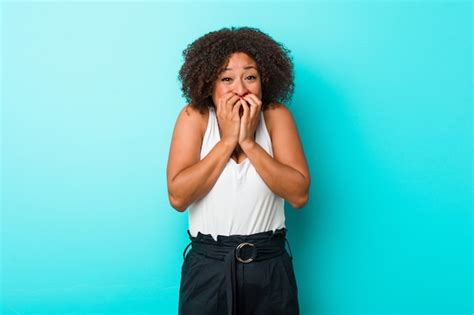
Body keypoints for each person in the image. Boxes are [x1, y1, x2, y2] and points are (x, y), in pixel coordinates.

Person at [166, 26, 310, 315]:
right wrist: (228, 140)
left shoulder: (276, 117)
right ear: (210, 84)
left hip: (269, 268)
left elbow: (298, 194)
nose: (240, 89)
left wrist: (248, 142)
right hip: (208, 268)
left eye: (250, 77)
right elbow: (178, 198)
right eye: (227, 78)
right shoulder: (194, 118)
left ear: (264, 80)